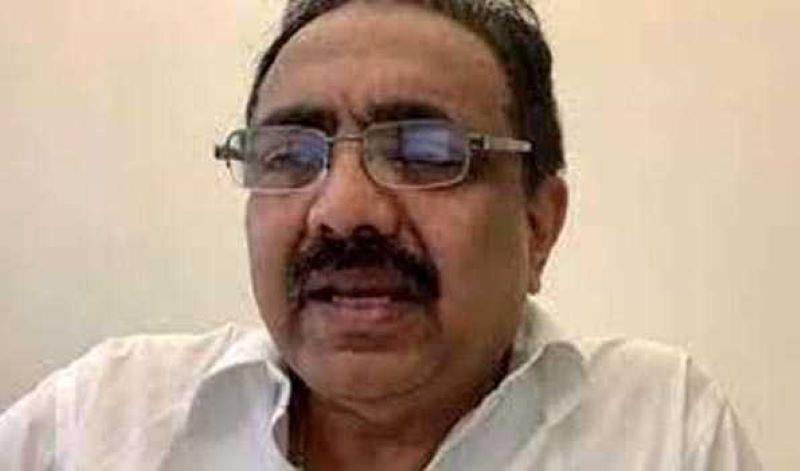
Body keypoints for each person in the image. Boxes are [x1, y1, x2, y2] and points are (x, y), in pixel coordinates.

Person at [0, 0, 760, 469]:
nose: (343, 210)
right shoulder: (101, 422)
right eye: (289, 155)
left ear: (539, 225)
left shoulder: (661, 430)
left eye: (426, 153)